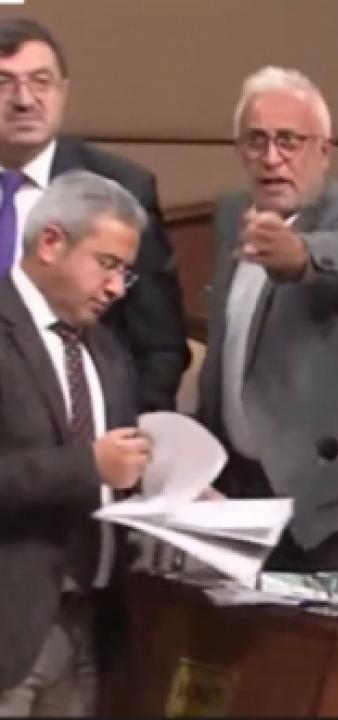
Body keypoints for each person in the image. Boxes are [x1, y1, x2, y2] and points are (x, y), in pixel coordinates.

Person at [195, 67, 338, 597]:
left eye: (289, 141)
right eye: (257, 141)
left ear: (324, 150)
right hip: (248, 499)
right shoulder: (233, 216)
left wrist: (298, 256)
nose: (272, 158)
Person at [0, 171, 152, 716]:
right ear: (50, 243)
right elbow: (90, 464)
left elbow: (116, 464)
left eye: (125, 273)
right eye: (107, 264)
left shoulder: (105, 349)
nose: (116, 288)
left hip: (87, 620)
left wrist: (171, 487)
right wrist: (86, 467)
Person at [0, 18, 188, 412]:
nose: (24, 100)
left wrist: (124, 429)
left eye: (41, 81)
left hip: (86, 426)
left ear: (63, 91)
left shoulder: (122, 187)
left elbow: (159, 345)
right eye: (3, 82)